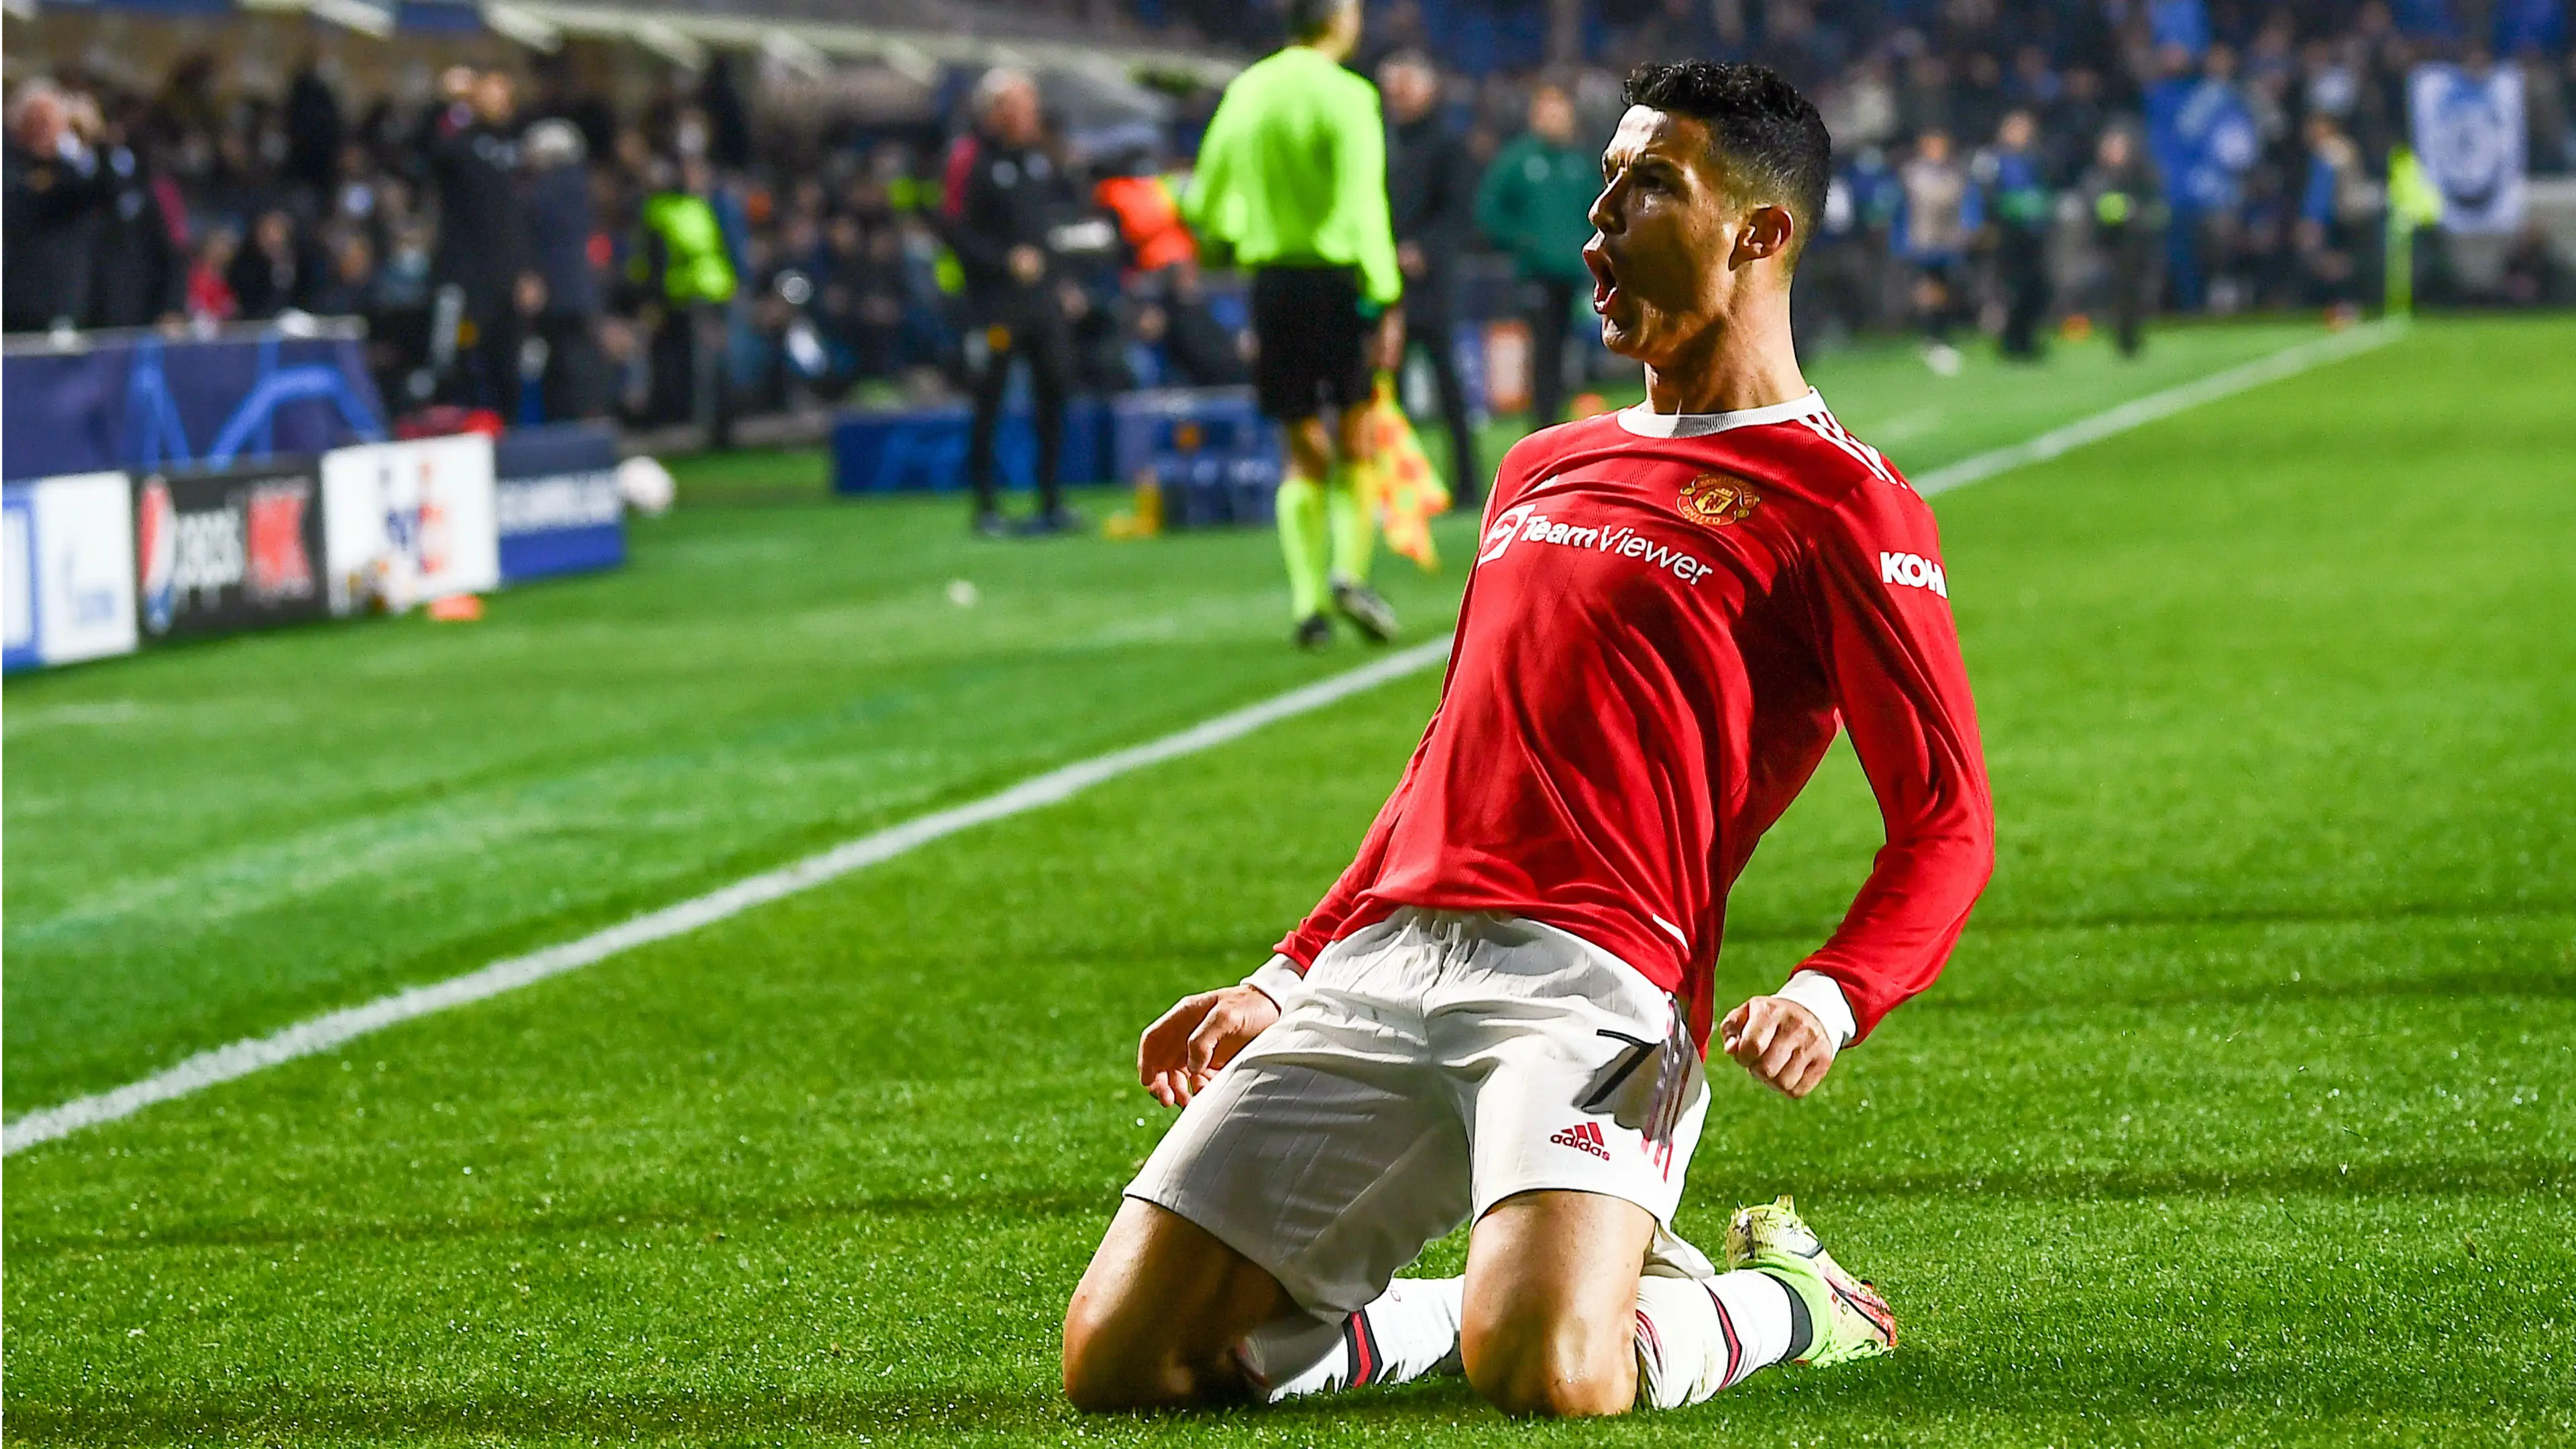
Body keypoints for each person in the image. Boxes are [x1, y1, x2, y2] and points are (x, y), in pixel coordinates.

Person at [1062, 60, 1993, 1419]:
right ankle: (1445, 1313)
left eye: (1646, 188)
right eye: (1606, 185)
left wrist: (1831, 994)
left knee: (1557, 1369)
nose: (1598, 225)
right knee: (1126, 1362)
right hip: (1385, 966)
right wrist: (1287, 968)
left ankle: (1783, 1303)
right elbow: (1449, 753)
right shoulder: (1541, 465)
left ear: (1761, 232)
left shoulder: (1843, 502)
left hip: (1600, 989)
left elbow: (1946, 821)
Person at [1183, 0, 1405, 648]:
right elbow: (1363, 199)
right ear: (1337, 20)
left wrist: (1228, 236)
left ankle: (1308, 606)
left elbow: (1204, 199)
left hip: (1273, 282)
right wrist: (1385, 292)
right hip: (1339, 282)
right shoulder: (1349, 95)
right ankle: (1349, 571)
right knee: (1355, 429)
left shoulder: (1247, 91)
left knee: (1298, 443)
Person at [940, 68, 1086, 537]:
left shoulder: (1035, 160)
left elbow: (1045, 229)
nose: (1032, 113)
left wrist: (1061, 280)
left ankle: (1050, 499)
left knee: (1054, 392)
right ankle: (986, 506)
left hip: (1041, 303)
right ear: (996, 109)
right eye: (1022, 104)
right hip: (994, 304)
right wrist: (1004, 261)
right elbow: (953, 229)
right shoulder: (970, 158)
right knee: (989, 400)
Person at [1379, 50, 1483, 502]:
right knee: (1387, 392)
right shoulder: (1380, 142)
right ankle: (1397, 486)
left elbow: (1460, 214)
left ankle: (1467, 484)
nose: (1398, 96)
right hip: (1385, 283)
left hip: (1433, 285)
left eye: (1406, 86)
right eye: (1393, 89)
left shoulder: (1448, 145)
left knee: (1448, 389)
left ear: (1429, 89)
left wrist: (1425, 250)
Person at [1476, 82, 1599, 429]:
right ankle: (1543, 426)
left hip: (1576, 276)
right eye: (1547, 110)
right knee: (1543, 351)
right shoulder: (1517, 160)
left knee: (1569, 354)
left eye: (1560, 110)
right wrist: (1522, 241)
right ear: (1535, 115)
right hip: (1535, 274)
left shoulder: (1579, 162)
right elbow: (1489, 212)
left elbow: (1597, 210)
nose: (1555, 118)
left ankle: (1564, 425)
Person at [425, 68, 542, 417]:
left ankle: (505, 445)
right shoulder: (459, 142)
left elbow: (517, 221)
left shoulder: (511, 150)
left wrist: (528, 272)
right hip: (465, 283)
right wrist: (452, 105)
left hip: (507, 283)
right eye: (494, 92)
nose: (503, 101)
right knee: (459, 362)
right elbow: (434, 153)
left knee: (508, 369)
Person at [2, 78, 110, 333]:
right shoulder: (10, 166)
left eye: (51, 122)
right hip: (16, 303)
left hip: (67, 300)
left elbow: (101, 191)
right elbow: (26, 208)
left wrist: (92, 139)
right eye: (37, 121)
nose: (45, 129)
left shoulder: (72, 167)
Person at [1978, 109, 2052, 359]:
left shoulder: (2034, 159)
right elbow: (1987, 195)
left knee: (2036, 288)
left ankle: (2027, 338)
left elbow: (2043, 190)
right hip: (2007, 233)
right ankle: (2010, 341)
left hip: (2032, 233)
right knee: (2011, 290)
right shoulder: (1993, 160)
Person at [2082, 125, 2162, 357]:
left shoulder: (2140, 175)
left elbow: (2152, 206)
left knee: (2138, 291)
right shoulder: (2097, 177)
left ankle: (2132, 335)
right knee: (2119, 292)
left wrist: (2135, 212)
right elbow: (2095, 207)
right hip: (2108, 244)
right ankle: (2122, 338)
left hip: (2136, 243)